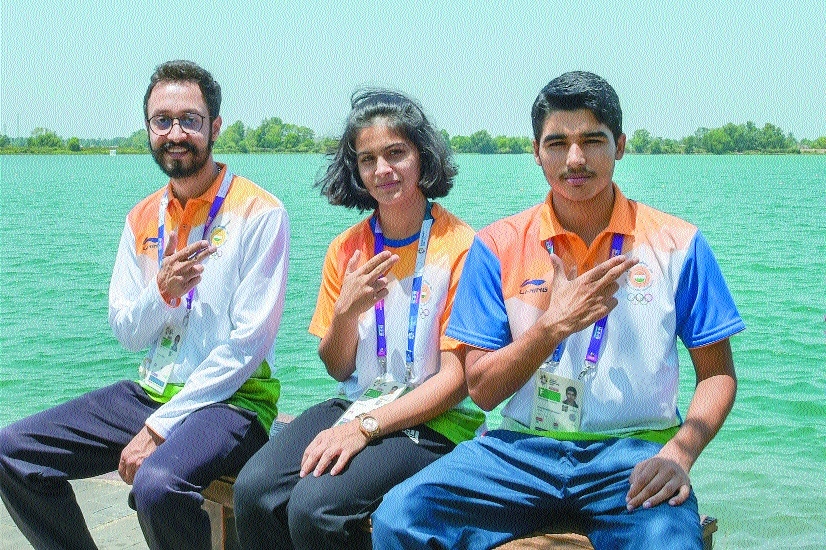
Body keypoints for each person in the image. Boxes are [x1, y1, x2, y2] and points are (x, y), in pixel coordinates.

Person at [372, 71, 745, 549]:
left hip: (634, 457)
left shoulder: (678, 243)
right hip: (520, 453)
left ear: (620, 145)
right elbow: (482, 391)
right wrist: (551, 327)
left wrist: (680, 454)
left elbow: (717, 374)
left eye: (592, 140)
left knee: (670, 543)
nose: (575, 159)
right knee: (400, 518)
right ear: (536, 151)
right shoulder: (498, 245)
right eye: (557, 143)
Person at [0, 60, 290, 550]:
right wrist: (162, 293)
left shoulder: (260, 213)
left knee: (158, 486)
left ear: (215, 126)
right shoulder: (142, 217)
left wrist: (158, 429)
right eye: (162, 121)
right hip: (152, 391)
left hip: (233, 402)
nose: (175, 133)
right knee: (13, 452)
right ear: (149, 129)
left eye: (189, 120)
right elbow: (127, 332)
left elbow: (248, 345)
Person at [233, 89, 484, 550]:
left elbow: (457, 382)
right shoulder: (347, 248)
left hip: (436, 421)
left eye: (396, 153)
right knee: (253, 492)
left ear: (422, 156)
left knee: (316, 508)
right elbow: (338, 368)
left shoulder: (462, 246)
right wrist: (346, 312)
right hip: (360, 401)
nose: (382, 170)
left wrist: (365, 429)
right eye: (368, 159)